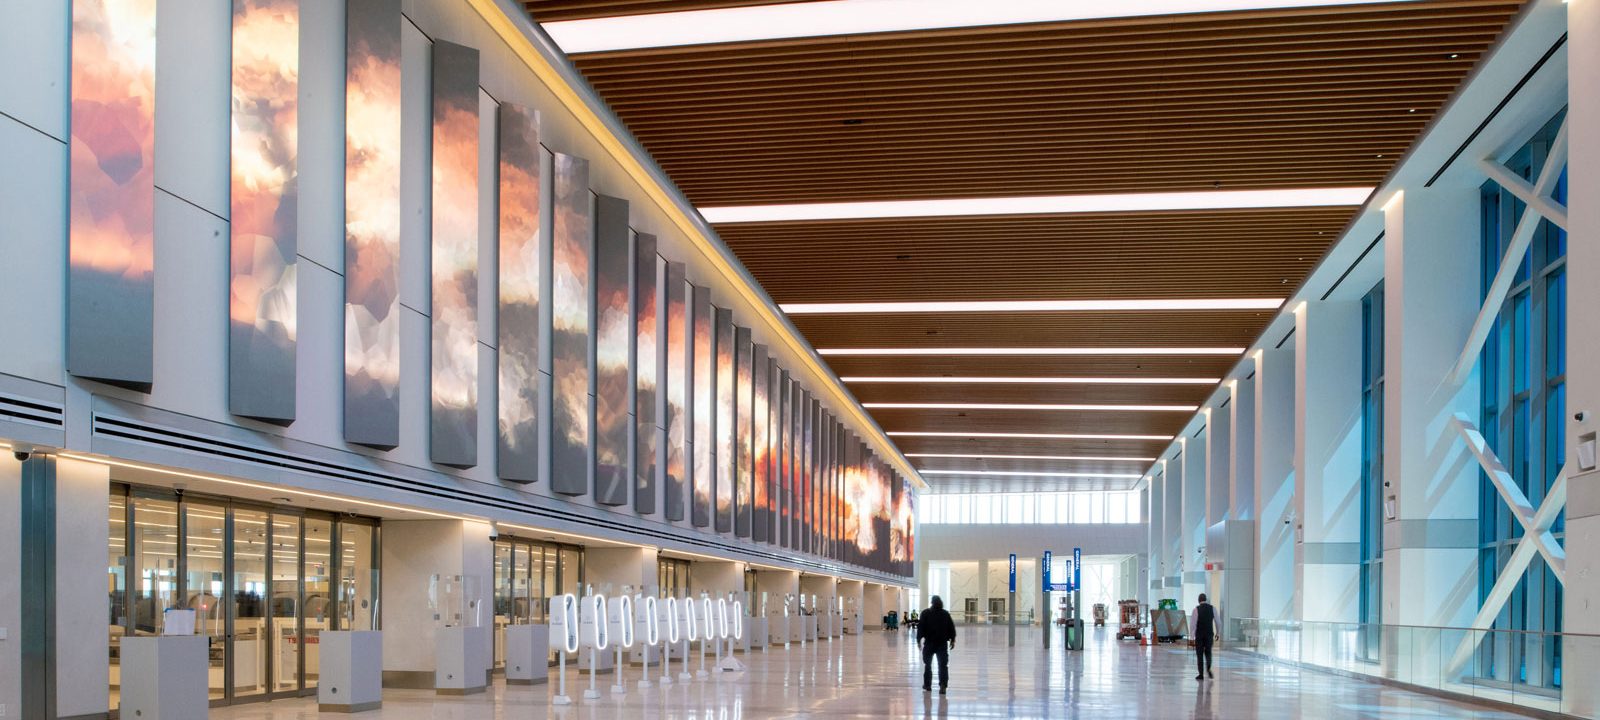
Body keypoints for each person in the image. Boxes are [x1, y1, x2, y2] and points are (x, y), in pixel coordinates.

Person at [917, 595, 957, 694]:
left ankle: (927, 685)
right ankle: (943, 685)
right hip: (942, 644)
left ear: (932, 602)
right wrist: (952, 640)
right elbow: (951, 627)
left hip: (929, 644)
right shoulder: (945, 614)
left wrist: (919, 640)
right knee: (942, 665)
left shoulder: (925, 613)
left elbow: (920, 627)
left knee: (928, 665)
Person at [1191, 593, 1219, 680]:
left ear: (1199, 600)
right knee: (1208, 653)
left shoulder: (1196, 609)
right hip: (1209, 635)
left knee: (1199, 655)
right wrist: (1218, 633)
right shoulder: (1212, 608)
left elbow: (1193, 624)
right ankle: (1208, 669)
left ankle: (1201, 674)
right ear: (1206, 599)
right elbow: (1218, 622)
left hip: (1199, 635)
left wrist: (1192, 637)